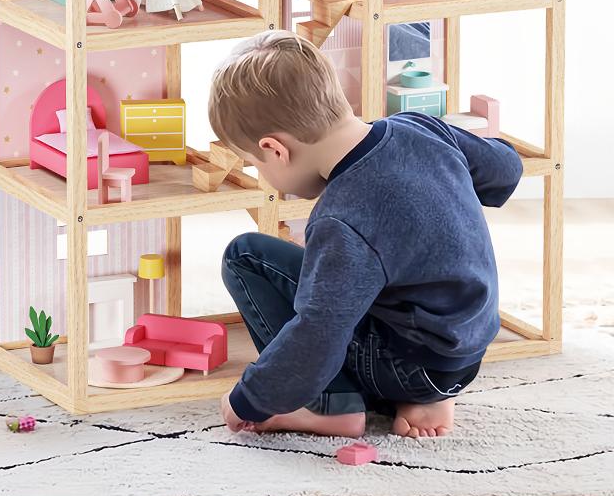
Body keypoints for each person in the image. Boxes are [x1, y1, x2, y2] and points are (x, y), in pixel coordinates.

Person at [209, 30, 522, 439]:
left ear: (275, 150)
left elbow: (317, 337)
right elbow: (506, 170)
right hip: (465, 350)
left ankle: (331, 406)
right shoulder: (421, 128)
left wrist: (249, 399)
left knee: (245, 256)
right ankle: (429, 395)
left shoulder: (341, 217)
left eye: (255, 164)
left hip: (408, 366)